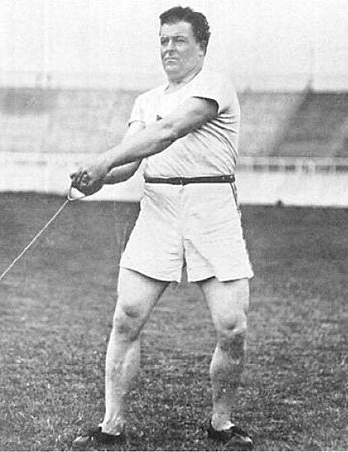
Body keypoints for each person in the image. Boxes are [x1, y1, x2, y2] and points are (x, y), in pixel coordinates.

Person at [70, 6, 254, 450]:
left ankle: (221, 422)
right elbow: (131, 163)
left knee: (232, 327)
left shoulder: (213, 85)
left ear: (202, 46)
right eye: (163, 41)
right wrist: (98, 178)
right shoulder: (146, 101)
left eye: (180, 40)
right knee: (126, 317)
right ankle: (111, 424)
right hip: (158, 208)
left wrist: (104, 159)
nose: (169, 49)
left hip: (212, 208)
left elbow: (169, 131)